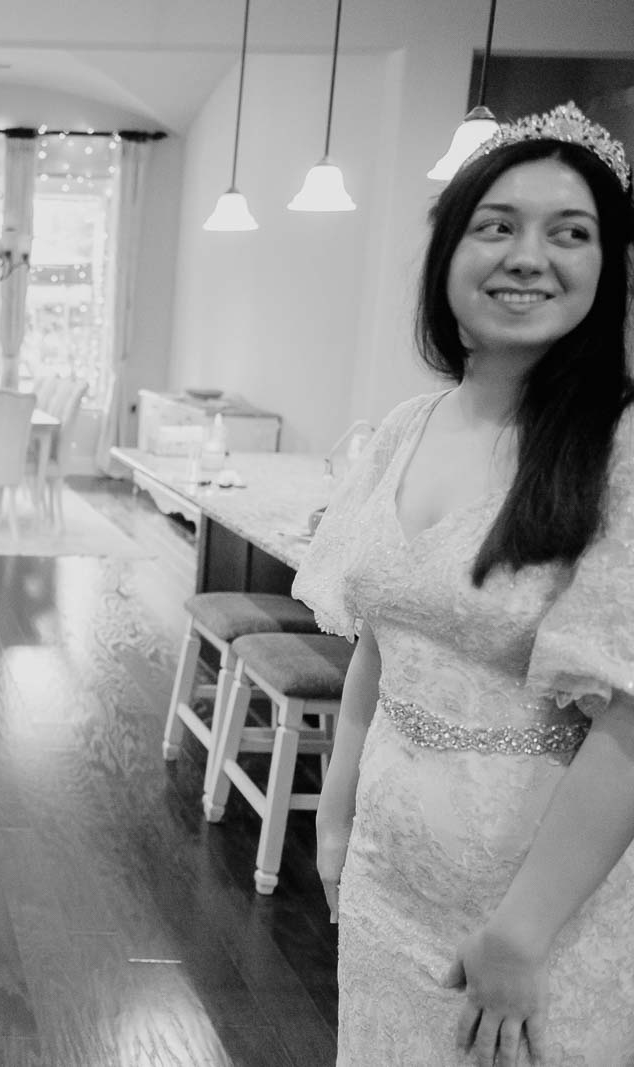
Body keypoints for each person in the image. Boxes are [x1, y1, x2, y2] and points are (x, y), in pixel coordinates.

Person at [293, 103, 634, 1065]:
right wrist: (336, 812)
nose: (529, 255)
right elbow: (381, 640)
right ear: (448, 256)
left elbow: (630, 715)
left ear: (610, 271)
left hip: (536, 907)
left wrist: (523, 932)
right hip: (389, 874)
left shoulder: (617, 448)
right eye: (498, 226)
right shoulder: (406, 426)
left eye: (571, 233)